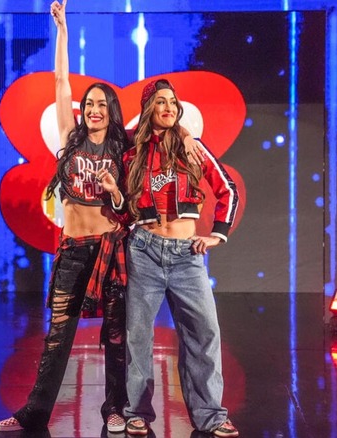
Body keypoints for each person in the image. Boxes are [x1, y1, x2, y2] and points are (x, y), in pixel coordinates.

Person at [0, 0, 130, 432]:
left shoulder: (122, 150)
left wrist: (116, 193)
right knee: (57, 337)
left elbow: (129, 205)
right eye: (88, 103)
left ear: (111, 111)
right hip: (73, 251)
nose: (93, 109)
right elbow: (60, 81)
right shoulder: (68, 143)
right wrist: (63, 30)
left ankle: (114, 407)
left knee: (115, 336)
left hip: (110, 252)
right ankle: (34, 412)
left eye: (101, 105)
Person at [98, 79, 240, 437]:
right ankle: (137, 413)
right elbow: (125, 214)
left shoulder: (193, 149)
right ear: (149, 109)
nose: (169, 107)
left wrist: (217, 234)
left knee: (204, 333)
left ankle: (211, 415)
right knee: (138, 337)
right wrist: (115, 194)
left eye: (173, 102)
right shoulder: (132, 154)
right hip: (144, 250)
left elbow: (227, 188)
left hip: (186, 256)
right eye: (160, 102)